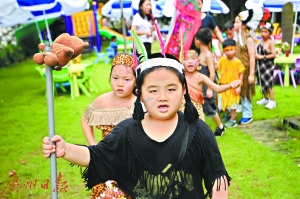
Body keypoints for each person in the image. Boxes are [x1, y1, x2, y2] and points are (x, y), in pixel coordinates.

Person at [42, 52, 231, 198]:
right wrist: (65, 149)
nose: (163, 97)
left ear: (183, 90)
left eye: (171, 89)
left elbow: (217, 177)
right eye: (153, 90)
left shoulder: (199, 131)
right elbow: (97, 156)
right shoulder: (127, 131)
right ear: (140, 93)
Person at [81, 54, 136, 198]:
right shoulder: (102, 100)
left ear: (136, 81)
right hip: (106, 159)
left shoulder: (140, 104)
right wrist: (93, 146)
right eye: (115, 78)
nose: (120, 83)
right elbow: (85, 119)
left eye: (127, 79)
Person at [182, 49, 241, 135]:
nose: (190, 62)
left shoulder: (200, 77)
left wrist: (230, 85)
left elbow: (217, 88)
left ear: (198, 61)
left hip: (197, 113)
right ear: (180, 60)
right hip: (181, 113)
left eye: (193, 58)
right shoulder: (178, 77)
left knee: (197, 138)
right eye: (186, 59)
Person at [233, 8, 262, 125]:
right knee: (239, 91)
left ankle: (247, 114)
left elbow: (252, 57)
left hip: (246, 70)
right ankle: (240, 109)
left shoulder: (248, 39)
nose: (235, 25)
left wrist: (251, 74)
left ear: (244, 25)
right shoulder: (237, 38)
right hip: (238, 70)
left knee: (246, 92)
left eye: (237, 22)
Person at [194, 28, 225, 136]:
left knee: (209, 107)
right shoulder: (201, 54)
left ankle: (221, 127)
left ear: (198, 41)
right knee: (205, 107)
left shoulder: (208, 54)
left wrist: (210, 89)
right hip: (203, 86)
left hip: (208, 86)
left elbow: (212, 73)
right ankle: (203, 127)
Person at [217, 39, 245, 127]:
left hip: (233, 87)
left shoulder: (237, 62)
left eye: (231, 50)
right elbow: (218, 68)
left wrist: (239, 86)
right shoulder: (222, 60)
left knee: (233, 105)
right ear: (223, 51)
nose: (229, 52)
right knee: (222, 103)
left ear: (235, 49)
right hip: (223, 86)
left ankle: (233, 120)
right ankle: (227, 114)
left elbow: (241, 75)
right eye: (226, 50)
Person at [255, 22, 277, 109]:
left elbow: (274, 54)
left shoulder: (270, 42)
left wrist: (262, 57)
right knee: (263, 82)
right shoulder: (260, 41)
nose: (263, 34)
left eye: (265, 32)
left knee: (269, 83)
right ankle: (265, 98)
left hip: (268, 65)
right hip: (260, 65)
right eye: (262, 31)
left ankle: (272, 101)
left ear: (270, 33)